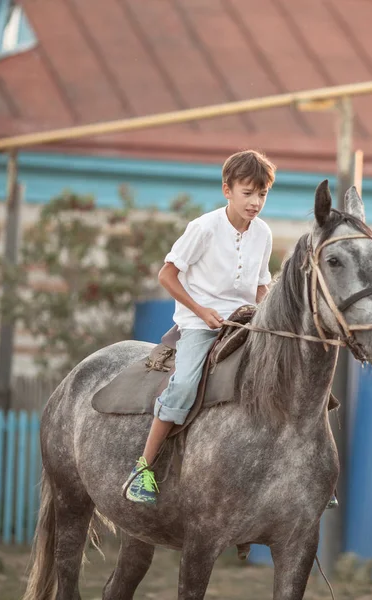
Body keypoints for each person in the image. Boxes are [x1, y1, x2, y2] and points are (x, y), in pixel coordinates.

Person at [123, 149, 276, 505]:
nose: (255, 202)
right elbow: (167, 275)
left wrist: (268, 313)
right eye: (247, 193)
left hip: (246, 322)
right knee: (186, 384)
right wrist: (201, 310)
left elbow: (261, 284)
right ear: (227, 190)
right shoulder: (203, 228)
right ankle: (142, 469)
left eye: (262, 194)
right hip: (199, 323)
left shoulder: (263, 233)